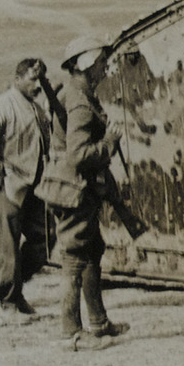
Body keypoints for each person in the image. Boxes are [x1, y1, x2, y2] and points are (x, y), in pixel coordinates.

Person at [36, 35, 127, 348]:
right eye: (101, 61)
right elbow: (78, 155)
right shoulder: (79, 101)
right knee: (75, 257)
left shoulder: (77, 92)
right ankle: (71, 332)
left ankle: (98, 322)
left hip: (78, 187)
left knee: (91, 251)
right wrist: (109, 144)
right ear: (87, 65)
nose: (105, 67)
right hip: (74, 187)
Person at [0, 58, 53, 319]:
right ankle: (8, 301)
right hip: (5, 185)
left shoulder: (38, 110)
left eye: (39, 80)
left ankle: (16, 289)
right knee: (7, 244)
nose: (36, 85)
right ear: (17, 79)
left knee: (45, 239)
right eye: (32, 79)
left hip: (32, 186)